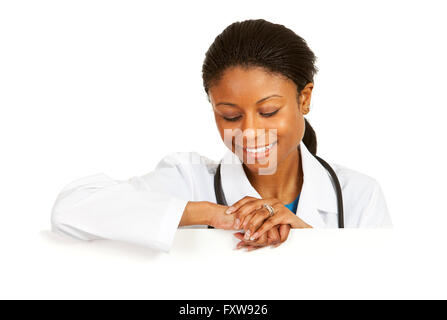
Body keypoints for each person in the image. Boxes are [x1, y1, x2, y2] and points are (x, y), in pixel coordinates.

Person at [50, 19, 392, 253]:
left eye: (269, 111)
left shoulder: (359, 196)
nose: (250, 132)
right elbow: (71, 209)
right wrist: (211, 214)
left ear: (304, 99)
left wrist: (308, 246)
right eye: (230, 115)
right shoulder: (189, 181)